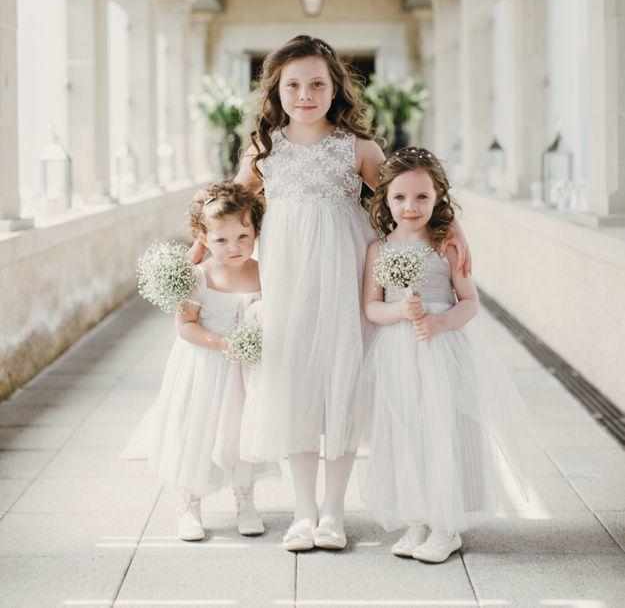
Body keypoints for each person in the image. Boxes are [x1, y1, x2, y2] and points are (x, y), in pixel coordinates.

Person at [192, 36, 471, 552]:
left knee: (341, 379)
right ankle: (304, 511)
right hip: (289, 279)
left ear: (335, 87)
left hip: (347, 274)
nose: (305, 94)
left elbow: (404, 197)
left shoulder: (358, 147)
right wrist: (188, 262)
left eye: (317, 83)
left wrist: (451, 229)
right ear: (276, 91)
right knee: (294, 380)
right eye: (293, 85)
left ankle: (335, 513)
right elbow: (226, 209)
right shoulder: (264, 150)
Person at [361, 147, 531, 563]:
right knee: (407, 431)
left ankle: (445, 524)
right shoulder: (377, 249)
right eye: (399, 198)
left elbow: (469, 302)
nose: (410, 206)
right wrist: (400, 310)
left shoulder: (447, 246)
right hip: (399, 352)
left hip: (442, 349)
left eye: (422, 197)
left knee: (442, 428)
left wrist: (439, 322)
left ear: (439, 197)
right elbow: (371, 307)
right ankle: (416, 516)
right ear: (384, 198)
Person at [149, 180, 271, 542]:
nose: (234, 248)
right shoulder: (200, 277)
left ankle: (245, 498)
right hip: (205, 366)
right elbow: (185, 326)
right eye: (221, 241)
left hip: (247, 371)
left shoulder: (264, 272)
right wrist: (224, 343)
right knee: (198, 431)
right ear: (203, 238)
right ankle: (189, 503)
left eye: (243, 237)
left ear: (256, 231)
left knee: (243, 431)